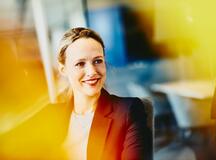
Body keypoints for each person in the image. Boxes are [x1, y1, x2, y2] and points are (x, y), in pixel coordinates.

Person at [0, 27, 152, 160]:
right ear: (63, 69)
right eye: (80, 64)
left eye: (98, 61)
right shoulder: (50, 115)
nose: (92, 72)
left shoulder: (128, 110)